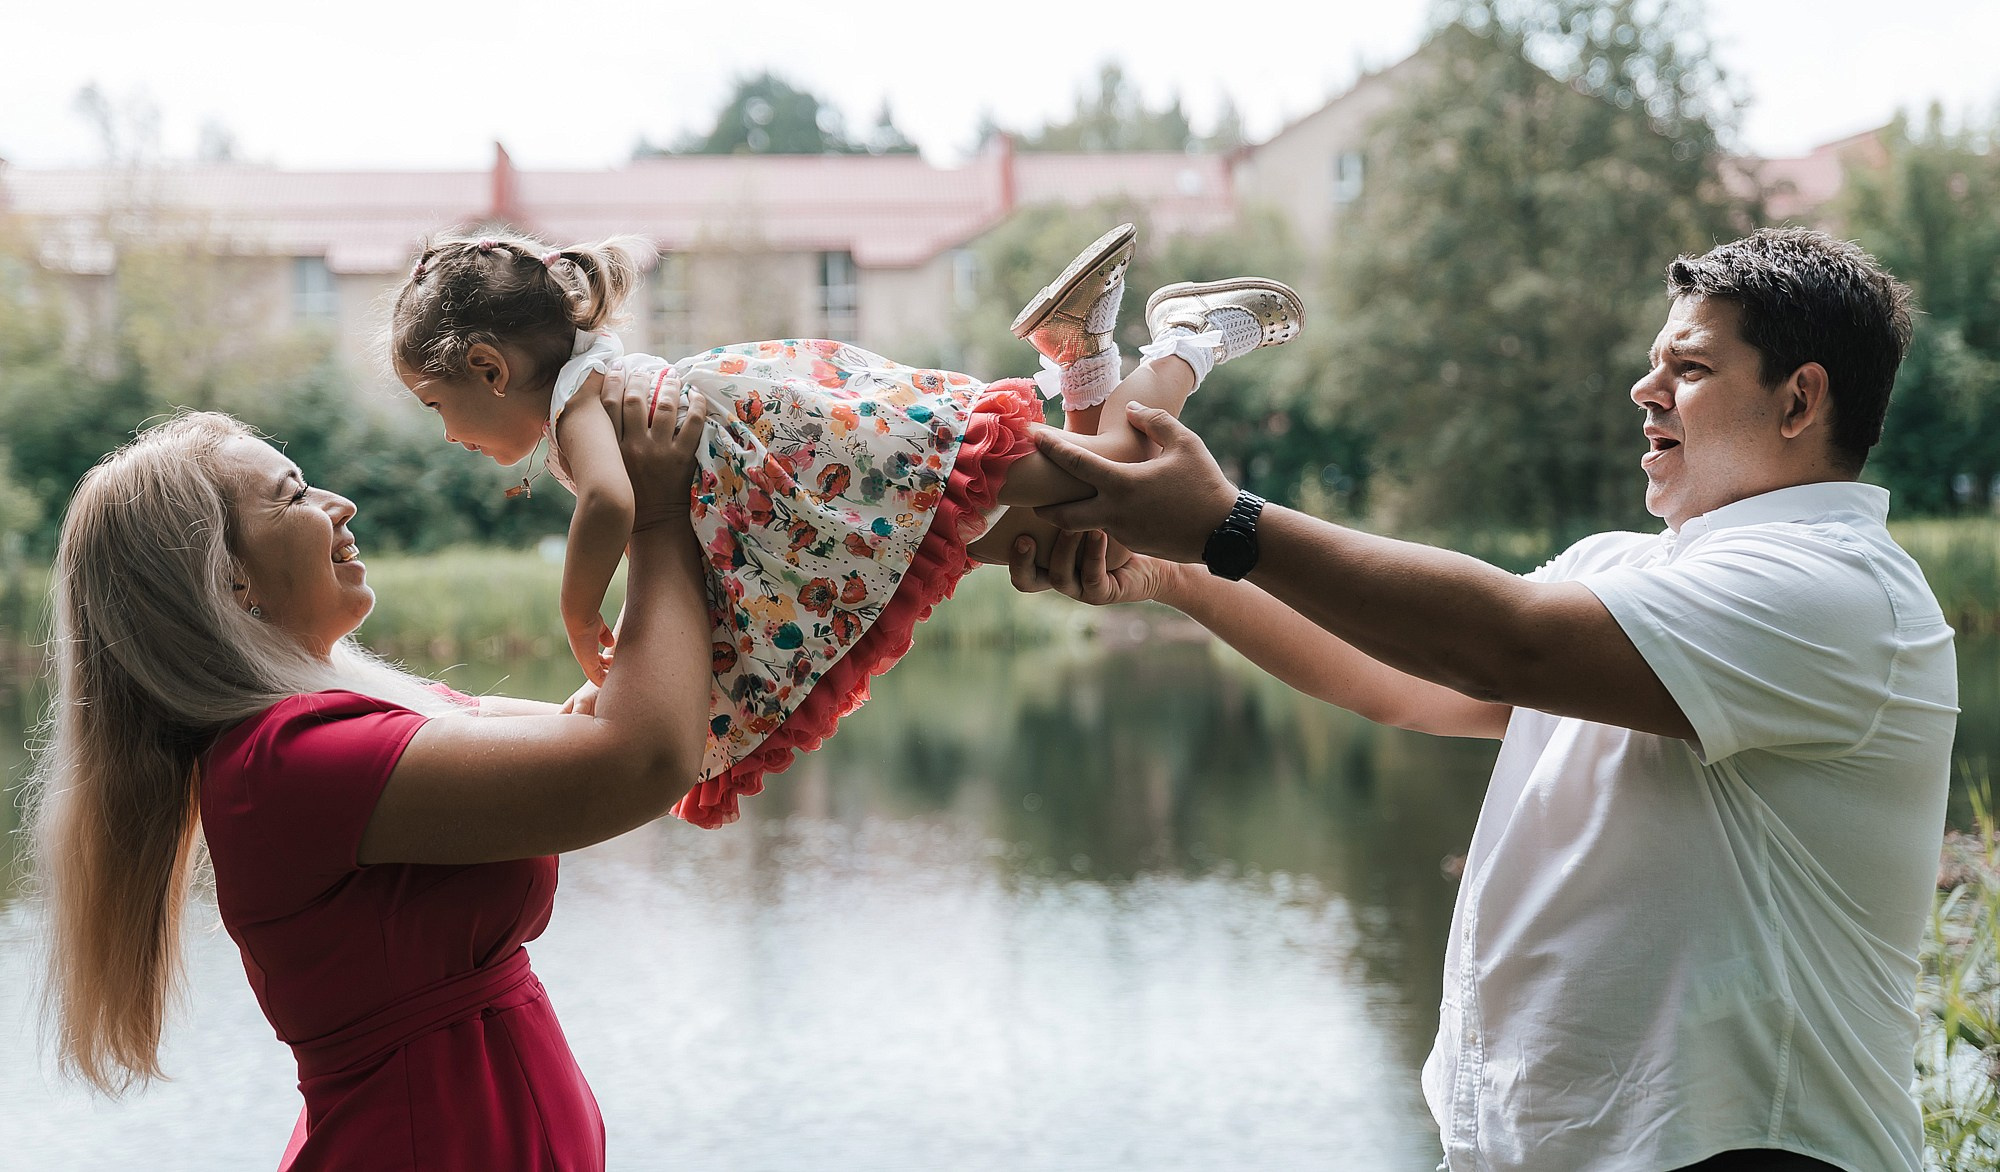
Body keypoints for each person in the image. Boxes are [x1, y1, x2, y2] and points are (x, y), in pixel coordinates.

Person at [1007, 228, 1955, 1172]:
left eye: (1691, 366)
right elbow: (1411, 680)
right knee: (1027, 504)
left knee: (1007, 497)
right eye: (1655, 361)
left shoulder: (1837, 589)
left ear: (1801, 399)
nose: (1645, 389)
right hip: (1563, 1154)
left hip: (1748, 1151)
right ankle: (1138, 361)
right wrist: (1181, 573)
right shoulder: (1625, 571)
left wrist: (1226, 524)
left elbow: (1504, 644)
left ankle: (1142, 360)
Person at [387, 226, 1303, 828]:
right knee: (1040, 530)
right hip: (823, 491)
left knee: (1111, 485)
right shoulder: (596, 385)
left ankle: (1186, 341)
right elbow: (692, 557)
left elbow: (617, 508)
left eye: (438, 405)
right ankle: (1087, 352)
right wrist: (624, 661)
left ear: (488, 365)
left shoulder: (581, 410)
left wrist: (577, 612)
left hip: (837, 478)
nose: (448, 436)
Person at [26, 378, 712, 1169]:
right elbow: (642, 759)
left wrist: (707, 521)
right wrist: (658, 518)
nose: (340, 501)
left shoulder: (355, 716)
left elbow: (595, 727)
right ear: (232, 581)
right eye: (293, 498)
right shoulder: (287, 762)